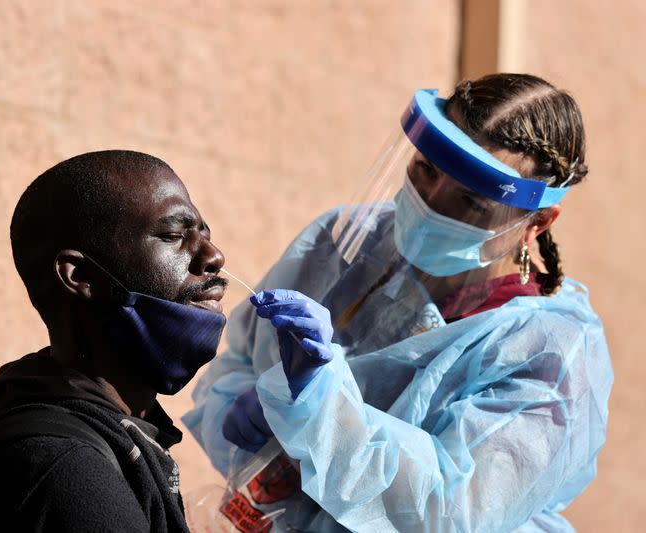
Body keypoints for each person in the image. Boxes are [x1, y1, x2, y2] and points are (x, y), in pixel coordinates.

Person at [184, 74, 613, 532]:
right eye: (425, 170)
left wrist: (317, 411)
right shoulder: (344, 243)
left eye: (468, 200)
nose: (428, 204)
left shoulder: (549, 353)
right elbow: (239, 361)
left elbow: (449, 511)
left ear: (538, 222)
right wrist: (252, 413)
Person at [0, 150, 228, 532]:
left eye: (205, 235)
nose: (213, 256)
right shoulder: (65, 470)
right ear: (80, 275)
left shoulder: (112, 438)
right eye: (174, 236)